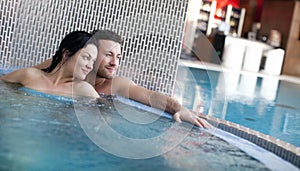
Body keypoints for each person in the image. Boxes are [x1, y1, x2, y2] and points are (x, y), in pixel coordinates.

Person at [35, 30, 211, 128]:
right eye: (109, 55)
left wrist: (179, 108)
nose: (115, 63)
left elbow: (151, 96)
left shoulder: (115, 85)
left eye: (118, 57)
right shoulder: (62, 66)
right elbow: (29, 76)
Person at [0, 31, 100, 98]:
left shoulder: (84, 90)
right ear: (66, 54)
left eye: (93, 61)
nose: (90, 66)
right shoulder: (29, 75)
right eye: (86, 58)